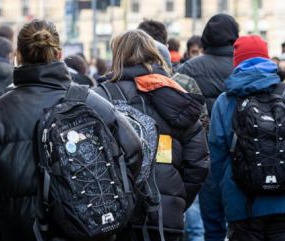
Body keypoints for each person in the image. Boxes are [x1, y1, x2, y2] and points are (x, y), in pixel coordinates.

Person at [0, 19, 143, 241]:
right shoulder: (93, 103)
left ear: (18, 56)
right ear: (59, 55)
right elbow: (134, 150)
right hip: (84, 228)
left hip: (21, 231)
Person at [95, 29, 209, 241]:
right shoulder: (175, 96)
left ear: (117, 55)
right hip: (164, 218)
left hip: (111, 217)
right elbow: (199, 162)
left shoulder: (99, 98)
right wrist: (176, 198)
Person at [210, 35, 285, 241]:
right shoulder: (283, 92)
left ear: (236, 62)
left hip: (241, 203)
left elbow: (216, 158)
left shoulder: (225, 101)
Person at [178, 13, 239, 241]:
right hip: (241, 153)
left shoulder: (187, 70)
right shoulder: (240, 67)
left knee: (211, 223)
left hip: (203, 153)